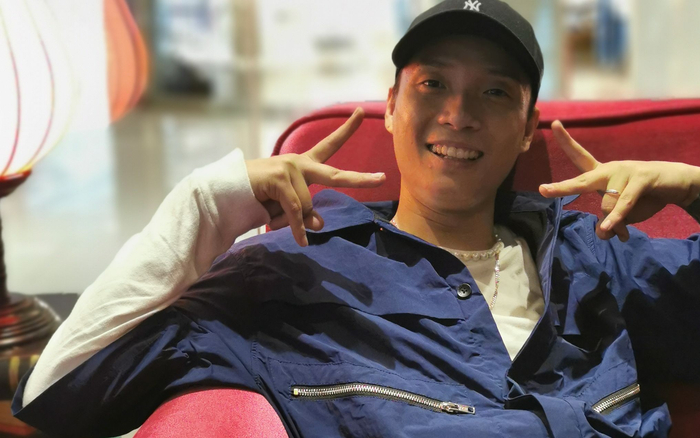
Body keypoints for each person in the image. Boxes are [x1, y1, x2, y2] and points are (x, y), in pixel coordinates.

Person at [12, 0, 700, 437]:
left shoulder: (596, 254)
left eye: (495, 92)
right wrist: (211, 198)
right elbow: (59, 393)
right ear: (391, 107)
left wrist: (695, 190)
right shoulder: (296, 270)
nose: (458, 114)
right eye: (433, 84)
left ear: (526, 130)